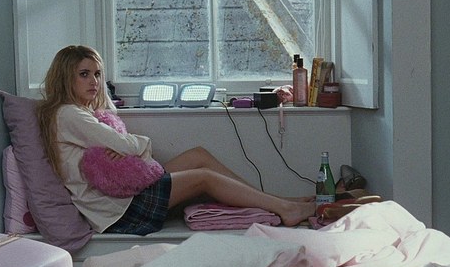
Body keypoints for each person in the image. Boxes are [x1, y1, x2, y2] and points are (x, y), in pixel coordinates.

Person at [37, 45, 314, 234]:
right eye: (84, 75)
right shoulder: (69, 114)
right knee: (204, 177)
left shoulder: (86, 112)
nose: (94, 82)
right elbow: (127, 145)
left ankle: (275, 200)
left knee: (198, 155)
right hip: (118, 210)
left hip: (124, 193)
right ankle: (285, 208)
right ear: (65, 79)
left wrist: (126, 149)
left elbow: (122, 145)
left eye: (97, 74)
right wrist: (135, 146)